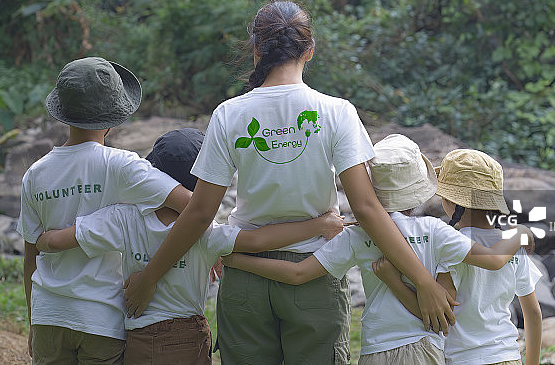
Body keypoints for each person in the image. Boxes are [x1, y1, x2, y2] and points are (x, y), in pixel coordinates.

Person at [121, 0, 459, 364]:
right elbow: (366, 207)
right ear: (309, 50)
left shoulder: (228, 114)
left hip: (245, 278)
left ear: (256, 50)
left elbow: (201, 212)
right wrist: (424, 281)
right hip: (316, 273)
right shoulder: (336, 112)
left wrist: (150, 277)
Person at [33, 128, 346, 364]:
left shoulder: (123, 218)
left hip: (138, 338)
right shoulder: (205, 232)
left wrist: (44, 240)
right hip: (187, 335)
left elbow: (61, 240)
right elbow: (258, 239)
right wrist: (318, 225)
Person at [222, 134, 533, 364]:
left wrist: (237, 260)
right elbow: (448, 305)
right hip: (425, 349)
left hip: (375, 349)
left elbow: (298, 273)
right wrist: (520, 233)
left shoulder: (358, 236)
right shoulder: (435, 232)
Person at [17, 57, 189, 364]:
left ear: (62, 114)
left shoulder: (36, 173)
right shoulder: (121, 165)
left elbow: (31, 257)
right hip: (101, 317)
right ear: (113, 118)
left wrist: (33, 322)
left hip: (48, 315)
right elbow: (190, 205)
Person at [434, 149, 543, 365]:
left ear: (453, 204)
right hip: (507, 355)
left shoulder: (448, 245)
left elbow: (442, 312)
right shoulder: (514, 247)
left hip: (463, 359)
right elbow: (532, 312)